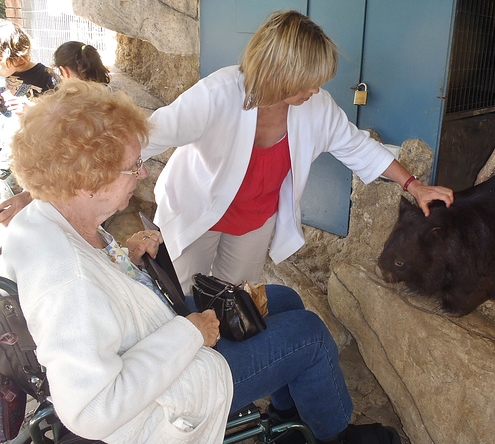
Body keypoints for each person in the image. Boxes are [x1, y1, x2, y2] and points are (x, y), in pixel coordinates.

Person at [1, 79, 400, 444]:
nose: (141, 174)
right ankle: (334, 435)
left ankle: (290, 414)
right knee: (309, 333)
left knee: (282, 299)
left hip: (154, 336)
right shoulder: (67, 280)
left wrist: (126, 260)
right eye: (132, 167)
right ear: (88, 183)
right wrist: (190, 333)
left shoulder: (46, 216)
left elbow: (99, 298)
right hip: (165, 399)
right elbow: (92, 411)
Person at [143, 9, 454, 293]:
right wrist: (117, 174)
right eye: (307, 82)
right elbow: (151, 134)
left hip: (253, 221)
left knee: (233, 300)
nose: (315, 90)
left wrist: (414, 186)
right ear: (278, 72)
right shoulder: (216, 94)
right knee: (176, 297)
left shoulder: (316, 107)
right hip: (197, 208)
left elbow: (358, 146)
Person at [0, 40, 110, 226]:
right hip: (102, 186)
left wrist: (29, 195)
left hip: (76, 187)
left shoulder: (71, 102)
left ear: (64, 71)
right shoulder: (107, 97)